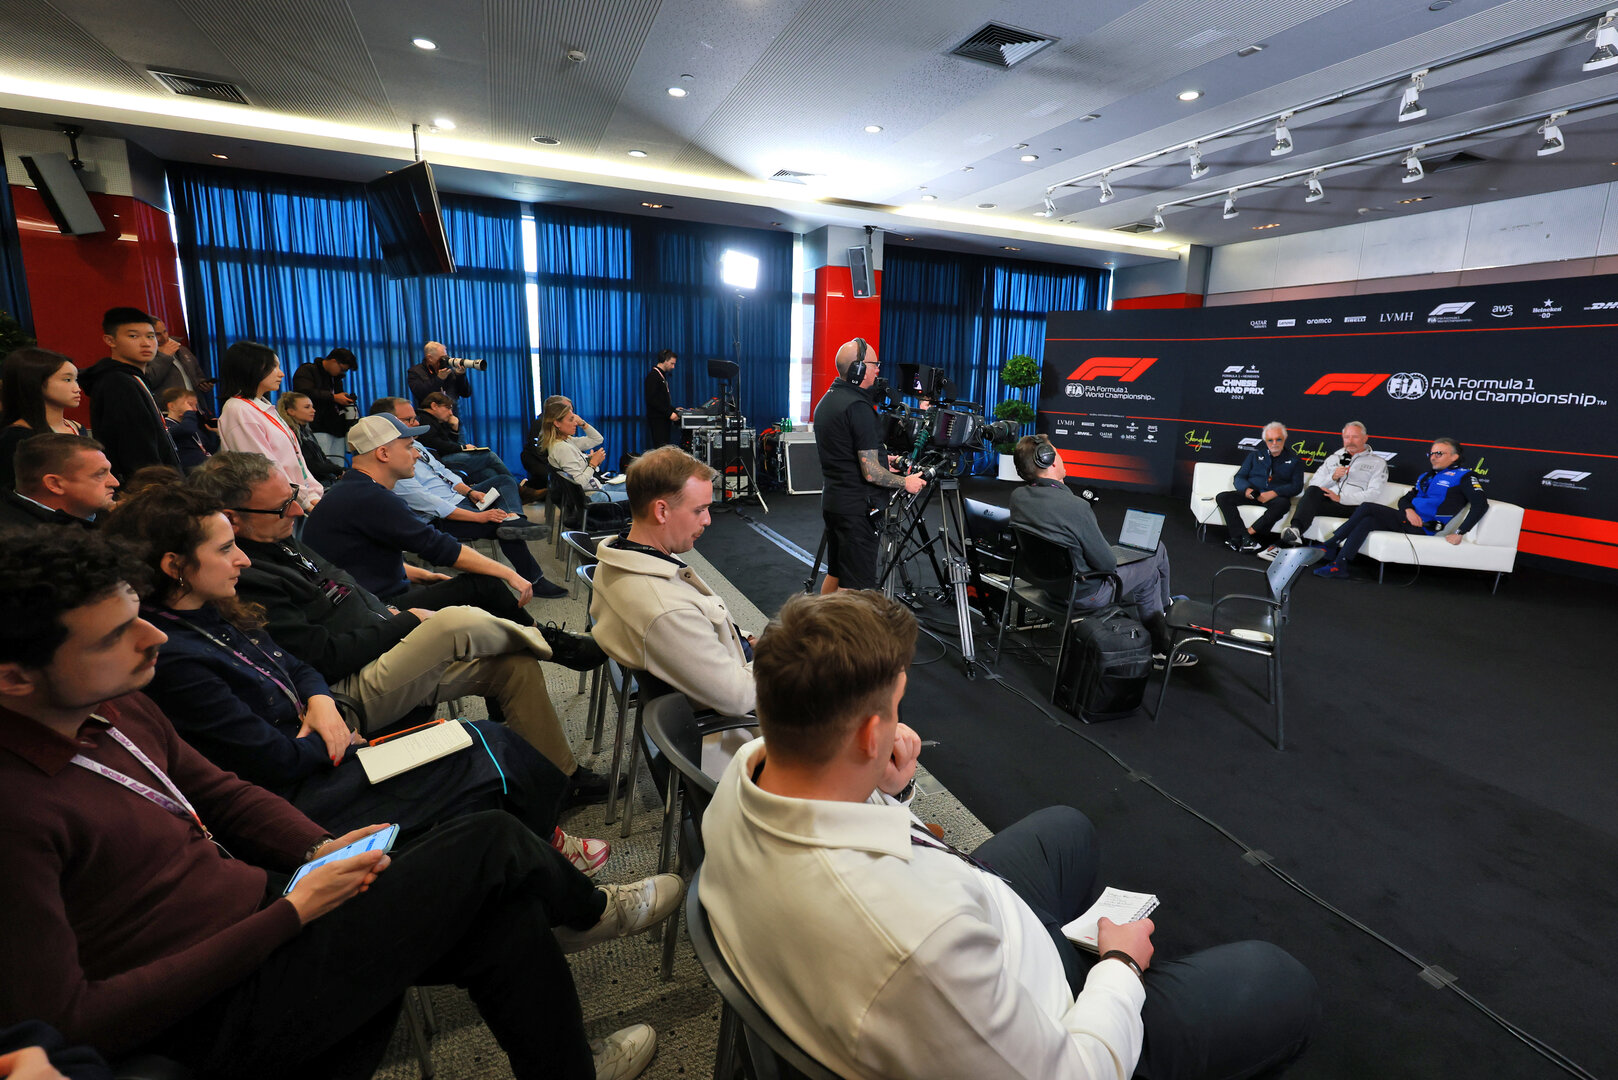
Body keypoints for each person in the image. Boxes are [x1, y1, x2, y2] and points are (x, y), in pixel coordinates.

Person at [0, 526, 677, 1080]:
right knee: (488, 839)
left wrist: (317, 847)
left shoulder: (115, 706)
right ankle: (589, 911)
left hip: (267, 911)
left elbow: (223, 795)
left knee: (503, 915)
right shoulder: (17, 812)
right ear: (14, 678)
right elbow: (73, 1019)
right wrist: (293, 913)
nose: (151, 637)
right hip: (218, 1005)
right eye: (114, 635)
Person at [701, 589, 1319, 1080]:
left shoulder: (746, 775)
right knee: (1281, 982)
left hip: (966, 915)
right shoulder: (919, 948)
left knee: (1066, 830)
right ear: (868, 735)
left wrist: (890, 789)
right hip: (1048, 1019)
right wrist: (1120, 967)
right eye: (894, 707)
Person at [101, 480, 609, 867]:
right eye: (224, 549)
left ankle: (560, 791)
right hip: (317, 770)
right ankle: (557, 657)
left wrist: (319, 701)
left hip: (330, 718)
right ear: (175, 566)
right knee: (476, 711)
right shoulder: (178, 653)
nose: (241, 559)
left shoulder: (216, 608)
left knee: (505, 677)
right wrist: (334, 733)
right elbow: (271, 756)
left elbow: (296, 665)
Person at [189, 451, 612, 805]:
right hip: (346, 689)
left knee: (513, 666)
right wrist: (407, 620)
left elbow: (346, 583)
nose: (298, 511)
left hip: (382, 646)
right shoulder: (244, 574)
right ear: (232, 519)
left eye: (294, 496)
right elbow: (325, 659)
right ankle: (552, 645)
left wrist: (391, 613)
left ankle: (561, 779)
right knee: (455, 620)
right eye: (283, 507)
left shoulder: (277, 539)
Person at [304, 414, 539, 615]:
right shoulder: (372, 498)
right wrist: (508, 573)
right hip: (375, 610)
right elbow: (440, 547)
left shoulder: (355, 489)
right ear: (383, 453)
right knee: (485, 584)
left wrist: (427, 576)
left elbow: (366, 562)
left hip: (364, 599)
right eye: (409, 447)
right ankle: (545, 638)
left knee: (469, 589)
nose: (416, 455)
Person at [591, 447, 757, 716]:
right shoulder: (666, 609)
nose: (708, 520)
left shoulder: (621, 557)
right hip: (747, 717)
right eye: (699, 510)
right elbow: (739, 697)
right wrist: (777, 657)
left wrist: (744, 638)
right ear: (661, 511)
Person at [1009, 435, 1195, 668]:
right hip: (1085, 593)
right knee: (1152, 561)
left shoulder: (1018, 497)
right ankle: (1161, 648)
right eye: (1058, 453)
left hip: (1048, 586)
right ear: (1050, 460)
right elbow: (1107, 564)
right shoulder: (1076, 507)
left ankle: (1164, 604)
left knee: (1154, 552)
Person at [370, 399, 564, 598]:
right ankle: (535, 580)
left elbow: (443, 471)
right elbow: (431, 503)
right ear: (387, 423)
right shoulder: (393, 466)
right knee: (503, 526)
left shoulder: (415, 445)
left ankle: (516, 519)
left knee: (504, 481)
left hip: (457, 498)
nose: (416, 423)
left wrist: (469, 492)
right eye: (409, 420)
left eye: (414, 418)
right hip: (441, 518)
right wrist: (480, 516)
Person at [812, 337, 925, 592]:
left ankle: (819, 618)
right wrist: (905, 482)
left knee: (836, 574)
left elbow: (846, 451)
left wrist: (884, 459)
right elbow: (871, 473)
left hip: (834, 503)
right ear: (859, 369)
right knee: (856, 589)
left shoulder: (828, 400)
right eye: (874, 364)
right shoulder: (858, 407)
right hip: (856, 511)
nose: (878, 370)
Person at [1313, 437, 1488, 580]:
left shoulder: (1464, 476)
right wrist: (1409, 511)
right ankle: (1339, 566)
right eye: (1432, 453)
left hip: (1424, 526)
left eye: (1439, 453)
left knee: (1367, 507)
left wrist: (1460, 532)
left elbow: (1481, 505)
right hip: (1407, 519)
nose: (1433, 457)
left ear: (1455, 457)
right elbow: (1405, 500)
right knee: (1367, 521)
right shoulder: (1426, 476)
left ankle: (1330, 544)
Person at [216, 341, 324, 513]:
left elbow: (295, 461)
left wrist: (312, 495)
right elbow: (263, 467)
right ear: (251, 368)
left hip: (293, 501)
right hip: (275, 506)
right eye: (274, 367)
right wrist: (303, 501)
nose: (281, 373)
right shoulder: (238, 410)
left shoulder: (263, 407)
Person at [80, 307, 181, 483]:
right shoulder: (117, 382)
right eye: (133, 336)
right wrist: (157, 488)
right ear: (110, 340)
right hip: (145, 486)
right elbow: (135, 446)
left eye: (150, 336)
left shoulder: (133, 378)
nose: (146, 343)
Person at [1271, 421, 1389, 553]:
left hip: (1353, 507)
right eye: (1347, 437)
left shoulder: (1377, 462)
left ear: (1365, 438)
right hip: (1331, 503)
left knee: (1307, 506)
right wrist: (1332, 478)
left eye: (1355, 437)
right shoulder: (1334, 458)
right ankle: (1295, 530)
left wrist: (1340, 498)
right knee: (1312, 492)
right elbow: (1313, 484)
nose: (1350, 441)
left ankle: (1281, 546)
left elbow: (1373, 494)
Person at [0, 348, 85, 491]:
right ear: (35, 383)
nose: (77, 388)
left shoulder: (76, 427)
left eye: (75, 380)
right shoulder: (17, 436)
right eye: (67, 380)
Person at [1216, 421, 1304, 553]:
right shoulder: (1254, 456)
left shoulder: (1295, 461)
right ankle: (1243, 538)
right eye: (1270, 440)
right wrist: (1247, 490)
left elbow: (1297, 486)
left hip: (1275, 498)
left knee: (1283, 504)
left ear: (1284, 439)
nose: (1274, 443)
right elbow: (1239, 477)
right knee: (1223, 497)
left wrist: (1274, 492)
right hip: (1253, 494)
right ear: (1265, 441)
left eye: (1278, 439)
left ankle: (1245, 535)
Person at [0, 435, 118, 530]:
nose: (115, 482)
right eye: (100, 474)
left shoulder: (104, 516)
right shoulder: (21, 542)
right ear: (55, 484)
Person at [539, 396, 629, 507]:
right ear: (557, 423)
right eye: (571, 420)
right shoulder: (562, 448)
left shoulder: (566, 441)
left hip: (598, 488)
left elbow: (597, 439)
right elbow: (579, 483)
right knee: (642, 496)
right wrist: (593, 464)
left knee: (636, 484)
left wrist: (583, 423)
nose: (575, 423)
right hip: (594, 496)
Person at [419, 389, 517, 486]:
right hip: (439, 461)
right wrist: (462, 447)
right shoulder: (423, 420)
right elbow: (436, 444)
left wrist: (454, 429)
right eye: (448, 408)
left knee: (489, 472)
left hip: (444, 458)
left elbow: (449, 444)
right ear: (434, 406)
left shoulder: (437, 421)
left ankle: (510, 490)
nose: (451, 413)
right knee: (489, 456)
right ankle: (519, 487)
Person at [145, 319, 215, 433]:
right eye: (158, 334)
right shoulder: (146, 354)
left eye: (165, 331)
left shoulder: (181, 349)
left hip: (196, 410)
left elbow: (197, 374)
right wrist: (165, 356)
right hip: (170, 414)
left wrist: (203, 383)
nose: (164, 337)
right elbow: (149, 380)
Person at [290, 347, 357, 466]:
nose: (342, 373)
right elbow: (303, 393)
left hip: (336, 428)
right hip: (316, 426)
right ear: (334, 361)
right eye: (342, 369)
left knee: (338, 465)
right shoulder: (307, 370)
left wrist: (344, 399)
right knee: (321, 464)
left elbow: (336, 397)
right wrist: (333, 397)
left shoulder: (336, 378)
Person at [275, 391, 344, 486]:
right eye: (307, 407)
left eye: (312, 407)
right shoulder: (291, 434)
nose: (313, 410)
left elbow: (322, 459)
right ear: (291, 411)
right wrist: (338, 470)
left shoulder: (307, 431)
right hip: (311, 484)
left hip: (323, 480)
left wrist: (341, 470)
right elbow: (310, 466)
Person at [407, 340, 474, 408]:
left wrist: (461, 376)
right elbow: (421, 394)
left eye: (446, 357)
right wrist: (439, 379)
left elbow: (466, 393)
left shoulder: (450, 371)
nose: (445, 360)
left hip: (452, 412)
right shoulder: (415, 372)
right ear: (430, 358)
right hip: (430, 413)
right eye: (442, 358)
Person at [160, 387, 213, 472]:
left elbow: (208, 448)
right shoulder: (167, 427)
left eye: (195, 405)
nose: (195, 409)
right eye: (189, 405)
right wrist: (189, 413)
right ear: (172, 406)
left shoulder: (190, 424)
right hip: (189, 473)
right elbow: (187, 429)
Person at [643, 349, 679, 449]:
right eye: (672, 363)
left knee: (664, 447)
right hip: (658, 420)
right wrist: (669, 413)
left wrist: (673, 410)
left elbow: (662, 400)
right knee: (661, 449)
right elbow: (653, 400)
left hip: (663, 418)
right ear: (665, 361)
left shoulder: (661, 375)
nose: (673, 367)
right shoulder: (653, 376)